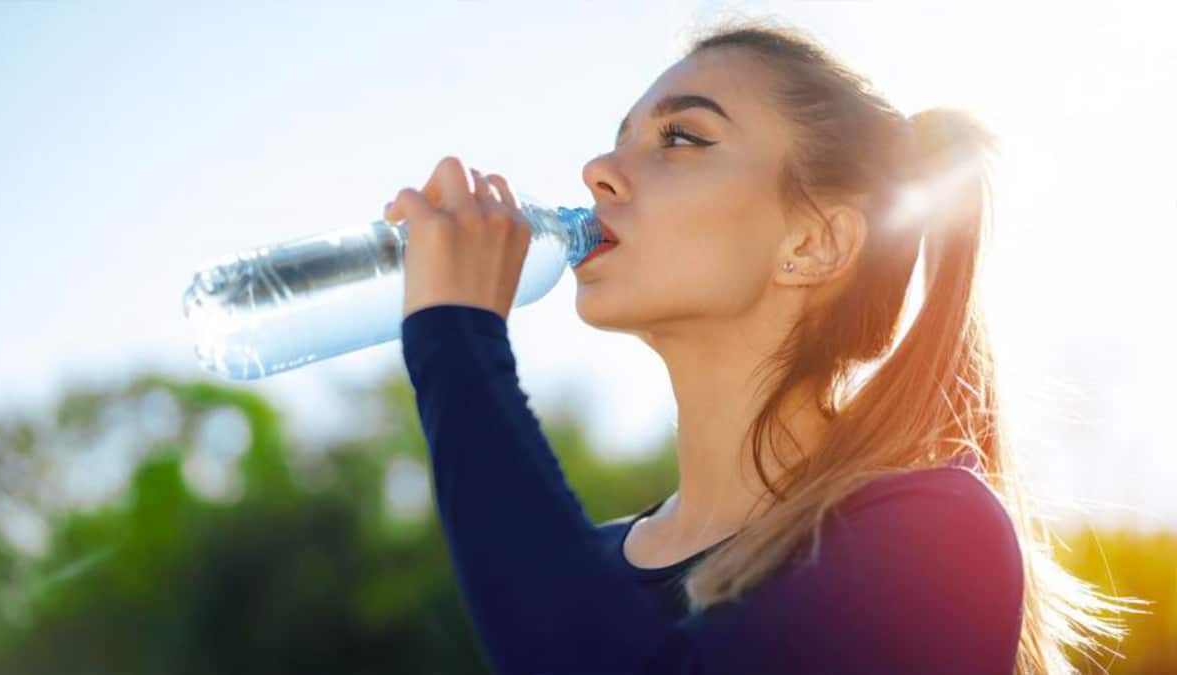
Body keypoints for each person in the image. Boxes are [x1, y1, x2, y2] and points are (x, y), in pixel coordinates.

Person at [387, 18, 1130, 675]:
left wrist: (458, 338)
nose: (598, 172)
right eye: (620, 138)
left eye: (680, 137)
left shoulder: (934, 538)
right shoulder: (584, 564)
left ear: (814, 243)